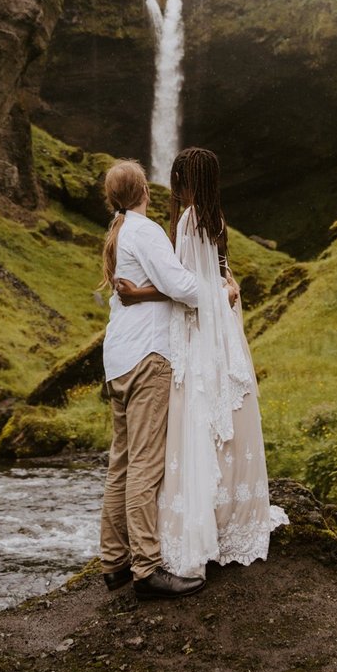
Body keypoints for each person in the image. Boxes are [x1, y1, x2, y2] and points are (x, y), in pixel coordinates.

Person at [117, 146, 287, 580]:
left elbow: (186, 289)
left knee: (198, 418)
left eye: (177, 178)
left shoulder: (190, 220)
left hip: (198, 329)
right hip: (220, 328)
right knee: (226, 417)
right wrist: (224, 293)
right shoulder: (215, 217)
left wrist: (138, 294)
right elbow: (212, 283)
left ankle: (198, 522)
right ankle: (231, 516)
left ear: (183, 180)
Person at [98, 158, 206, 599]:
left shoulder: (120, 232)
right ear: (145, 188)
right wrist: (212, 285)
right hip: (148, 356)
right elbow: (186, 287)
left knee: (121, 462)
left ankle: (114, 561)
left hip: (119, 356)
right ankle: (147, 569)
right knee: (145, 463)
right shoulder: (146, 231)